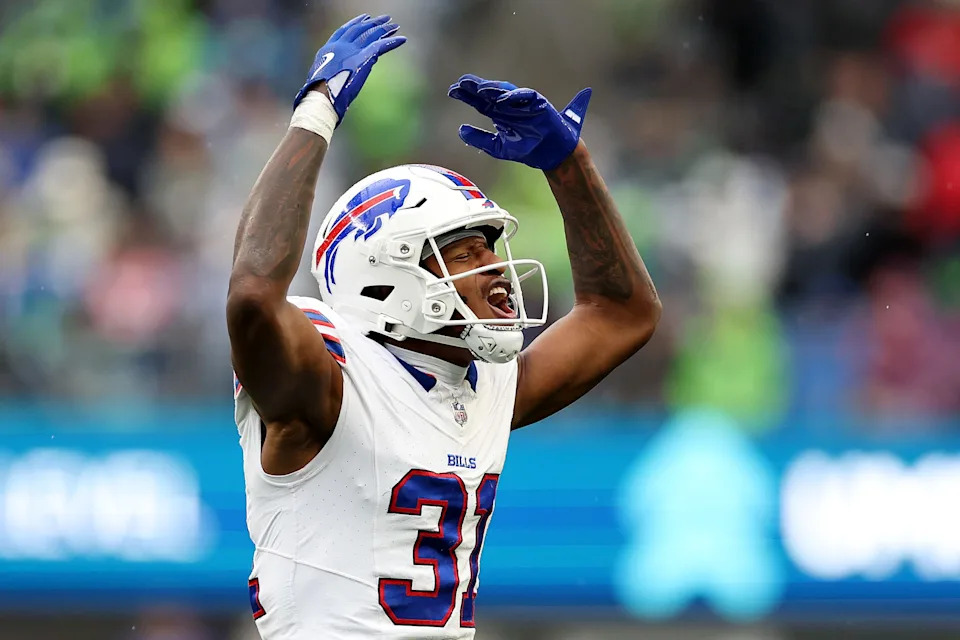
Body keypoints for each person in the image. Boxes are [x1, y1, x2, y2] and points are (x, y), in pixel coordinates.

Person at [227, 13, 661, 640]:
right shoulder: (327, 379)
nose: (497, 272)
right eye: (465, 254)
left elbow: (624, 313)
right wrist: (316, 114)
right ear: (383, 275)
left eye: (491, 250)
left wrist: (569, 163)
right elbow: (251, 295)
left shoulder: (478, 385)